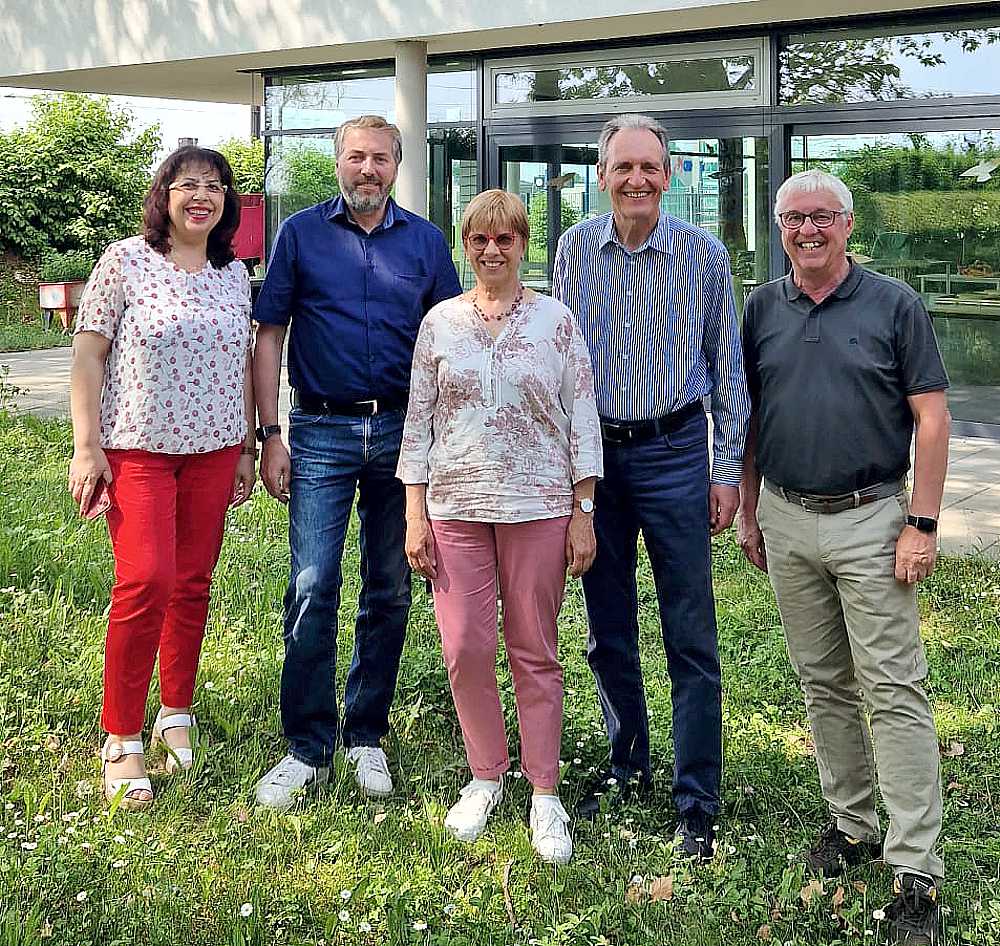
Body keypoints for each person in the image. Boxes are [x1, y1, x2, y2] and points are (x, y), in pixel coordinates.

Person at [738, 169, 949, 945]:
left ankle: (916, 866)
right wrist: (753, 508)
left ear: (849, 226)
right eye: (794, 219)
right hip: (789, 518)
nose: (808, 231)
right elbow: (753, 412)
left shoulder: (896, 305)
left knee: (893, 689)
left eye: (822, 217)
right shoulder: (761, 307)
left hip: (872, 520)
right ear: (781, 228)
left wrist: (921, 523)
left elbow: (931, 418)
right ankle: (852, 825)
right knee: (823, 682)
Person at [553, 113, 749, 859]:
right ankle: (626, 762)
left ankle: (697, 797)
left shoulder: (702, 256)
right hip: (600, 458)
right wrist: (571, 483)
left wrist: (723, 469)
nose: (637, 179)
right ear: (601, 176)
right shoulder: (574, 250)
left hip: (673, 453)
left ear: (669, 175)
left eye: (651, 167)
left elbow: (727, 372)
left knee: (690, 632)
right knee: (608, 627)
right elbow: (565, 370)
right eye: (623, 167)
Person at [252, 115, 462, 808]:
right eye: (356, 157)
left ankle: (365, 733)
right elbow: (270, 333)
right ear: (338, 162)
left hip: (404, 435)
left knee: (389, 588)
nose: (367, 168)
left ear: (397, 165)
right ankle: (307, 746)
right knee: (312, 585)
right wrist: (270, 433)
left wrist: (446, 447)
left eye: (380, 158)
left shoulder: (427, 244)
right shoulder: (301, 235)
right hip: (319, 431)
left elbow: (450, 344)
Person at [397, 189, 602, 864]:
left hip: (539, 506)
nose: (492, 250)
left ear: (522, 244)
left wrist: (583, 512)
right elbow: (418, 421)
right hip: (454, 507)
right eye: (479, 240)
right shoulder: (440, 323)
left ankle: (545, 791)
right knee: (465, 648)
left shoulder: (556, 322)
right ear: (466, 245)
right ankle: (486, 774)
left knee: (534, 649)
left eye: (505, 239)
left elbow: (583, 419)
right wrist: (414, 514)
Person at [68, 146, 256, 809]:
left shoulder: (234, 274)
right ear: (165, 194)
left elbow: (243, 361)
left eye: (215, 186)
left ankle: (176, 709)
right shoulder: (124, 261)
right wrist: (85, 447)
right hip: (138, 449)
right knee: (147, 580)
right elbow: (88, 358)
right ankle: (120, 735)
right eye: (188, 185)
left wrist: (248, 447)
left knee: (194, 583)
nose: (202, 196)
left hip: (213, 450)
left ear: (228, 201)